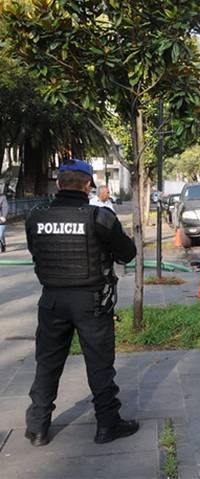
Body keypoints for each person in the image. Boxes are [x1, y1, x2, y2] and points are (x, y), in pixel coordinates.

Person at [24, 159, 138, 447]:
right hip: (91, 301)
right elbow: (127, 254)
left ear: (59, 184)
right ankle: (107, 425)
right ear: (88, 185)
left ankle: (38, 428)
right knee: (99, 364)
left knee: (47, 363)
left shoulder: (35, 217)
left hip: (51, 299)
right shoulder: (99, 217)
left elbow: (35, 252)